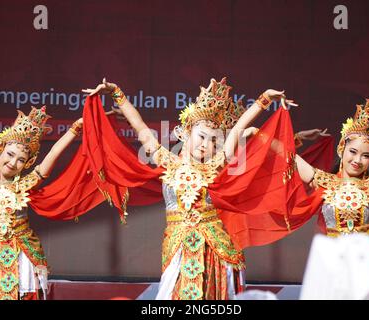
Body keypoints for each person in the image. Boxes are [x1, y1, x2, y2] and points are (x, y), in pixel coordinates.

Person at [82, 77, 308, 300]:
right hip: (178, 245)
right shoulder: (166, 160)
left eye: (213, 141)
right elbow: (139, 126)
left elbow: (240, 127)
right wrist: (116, 92)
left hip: (215, 248)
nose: (205, 145)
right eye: (201, 137)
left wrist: (264, 99)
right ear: (184, 134)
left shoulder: (216, 165)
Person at [293, 97, 369, 299]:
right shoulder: (323, 181)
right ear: (342, 148)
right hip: (336, 267)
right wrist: (297, 137)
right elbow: (284, 153)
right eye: (353, 152)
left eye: (365, 156)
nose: (358, 160)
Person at [0, 107, 83, 300]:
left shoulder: (25, 184)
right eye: (10, 154)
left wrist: (75, 128)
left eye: (21, 160)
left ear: (27, 164)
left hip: (24, 256)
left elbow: (53, 153)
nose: (13, 163)